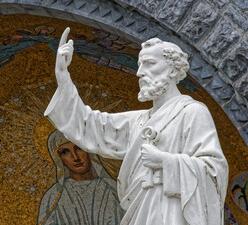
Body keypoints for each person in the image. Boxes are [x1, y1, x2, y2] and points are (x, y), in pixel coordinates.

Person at [44, 28, 229, 225]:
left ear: (173, 70)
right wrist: (63, 77)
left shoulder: (192, 112)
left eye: (149, 64)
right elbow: (92, 127)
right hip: (140, 212)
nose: (140, 73)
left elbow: (214, 169)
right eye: (139, 65)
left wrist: (164, 161)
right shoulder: (138, 121)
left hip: (172, 213)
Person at [37, 130, 124, 225]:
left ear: (89, 151)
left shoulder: (113, 189)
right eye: (65, 152)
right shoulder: (53, 197)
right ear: (58, 159)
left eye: (79, 148)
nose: (75, 157)